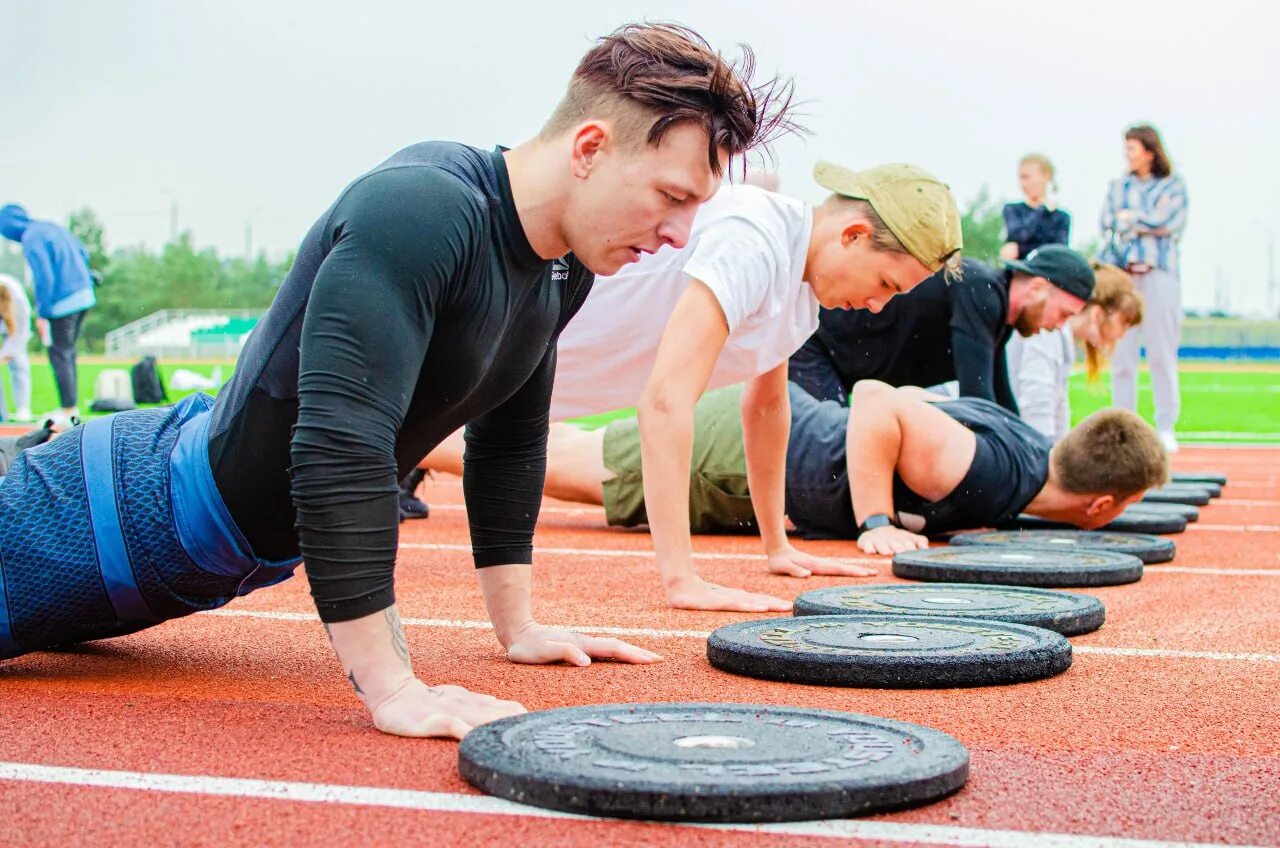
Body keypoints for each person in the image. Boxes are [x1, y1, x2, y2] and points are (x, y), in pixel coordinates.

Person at [0, 23, 792, 741]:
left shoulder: (563, 269)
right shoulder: (422, 209)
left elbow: (512, 442)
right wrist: (392, 688)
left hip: (192, 564)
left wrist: (517, 631)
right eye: (673, 196)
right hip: (118, 513)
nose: (681, 233)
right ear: (590, 148)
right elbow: (340, 445)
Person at [543, 161, 961, 613]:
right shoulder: (752, 241)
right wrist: (683, 580)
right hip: (495, 350)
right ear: (853, 235)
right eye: (885, 283)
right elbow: (666, 401)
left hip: (531, 382)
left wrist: (777, 546)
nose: (878, 307)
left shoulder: (800, 298)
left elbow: (766, 409)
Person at [424, 379, 1167, 557]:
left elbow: (915, 398)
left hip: (766, 447)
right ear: (1104, 506)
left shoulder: (1029, 453)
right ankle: (408, 441)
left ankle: (429, 423)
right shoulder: (991, 473)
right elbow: (882, 400)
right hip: (737, 460)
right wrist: (875, 519)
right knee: (556, 466)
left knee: (565, 446)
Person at [789, 245, 1097, 412]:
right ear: (1037, 288)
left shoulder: (998, 316)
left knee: (845, 442)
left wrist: (1040, 459)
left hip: (842, 361)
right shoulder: (980, 289)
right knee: (833, 450)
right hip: (816, 345)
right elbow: (978, 404)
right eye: (1064, 314)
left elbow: (1002, 405)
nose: (1059, 327)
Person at [1099, 124, 1188, 453]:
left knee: (1161, 352)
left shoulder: (1173, 185)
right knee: (1122, 354)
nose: (1128, 156)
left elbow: (1169, 222)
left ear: (1150, 151)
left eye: (1133, 149)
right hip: (1124, 276)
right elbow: (1108, 221)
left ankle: (1165, 426)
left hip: (1159, 274)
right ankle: (1125, 425)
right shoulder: (1117, 186)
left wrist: (1132, 219)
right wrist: (1145, 220)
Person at [1008, 261, 1143, 440]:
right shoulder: (1048, 333)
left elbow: (1057, 410)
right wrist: (1046, 456)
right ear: (1097, 314)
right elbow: (1036, 402)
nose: (1122, 335)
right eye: (1123, 322)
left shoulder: (1062, 339)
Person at [0, 205, 95, 418]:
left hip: (62, 301)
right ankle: (71, 407)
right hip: (85, 294)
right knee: (68, 351)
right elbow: (83, 252)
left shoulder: (31, 238)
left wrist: (42, 311)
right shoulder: (50, 227)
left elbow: (44, 277)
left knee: (58, 353)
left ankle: (68, 409)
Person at [1000, 153, 1070, 261]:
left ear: (1046, 176)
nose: (1023, 184)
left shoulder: (1062, 217)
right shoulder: (1012, 209)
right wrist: (1041, 209)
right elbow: (1019, 236)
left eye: (1026, 177)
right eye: (1021, 178)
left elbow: (1059, 252)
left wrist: (1019, 248)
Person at [0, 273, 34, 421]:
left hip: (16, 328)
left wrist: (5, 355)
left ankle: (23, 408)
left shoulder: (18, 300)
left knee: (19, 364)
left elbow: (21, 334)